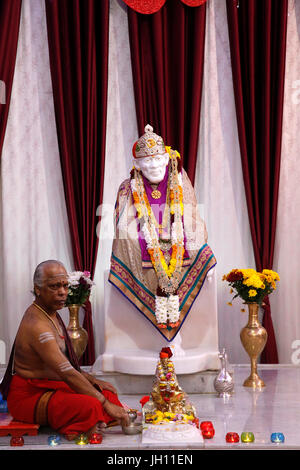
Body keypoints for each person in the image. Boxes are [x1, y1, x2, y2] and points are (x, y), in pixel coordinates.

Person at [109, 124, 217, 341]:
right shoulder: (127, 187)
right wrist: (149, 242)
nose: (154, 165)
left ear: (167, 158)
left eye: (158, 159)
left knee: (203, 254)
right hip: (143, 251)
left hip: (180, 247)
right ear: (137, 165)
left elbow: (192, 217)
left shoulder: (179, 181)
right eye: (148, 161)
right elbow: (122, 227)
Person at [0, 260, 129, 439]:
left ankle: (93, 419)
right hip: (28, 397)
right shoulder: (38, 325)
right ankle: (85, 424)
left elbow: (66, 368)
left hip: (49, 385)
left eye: (65, 286)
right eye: (54, 286)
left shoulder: (50, 313)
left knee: (107, 392)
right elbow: (67, 372)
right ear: (37, 289)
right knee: (92, 405)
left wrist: (92, 381)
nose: (62, 292)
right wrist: (104, 404)